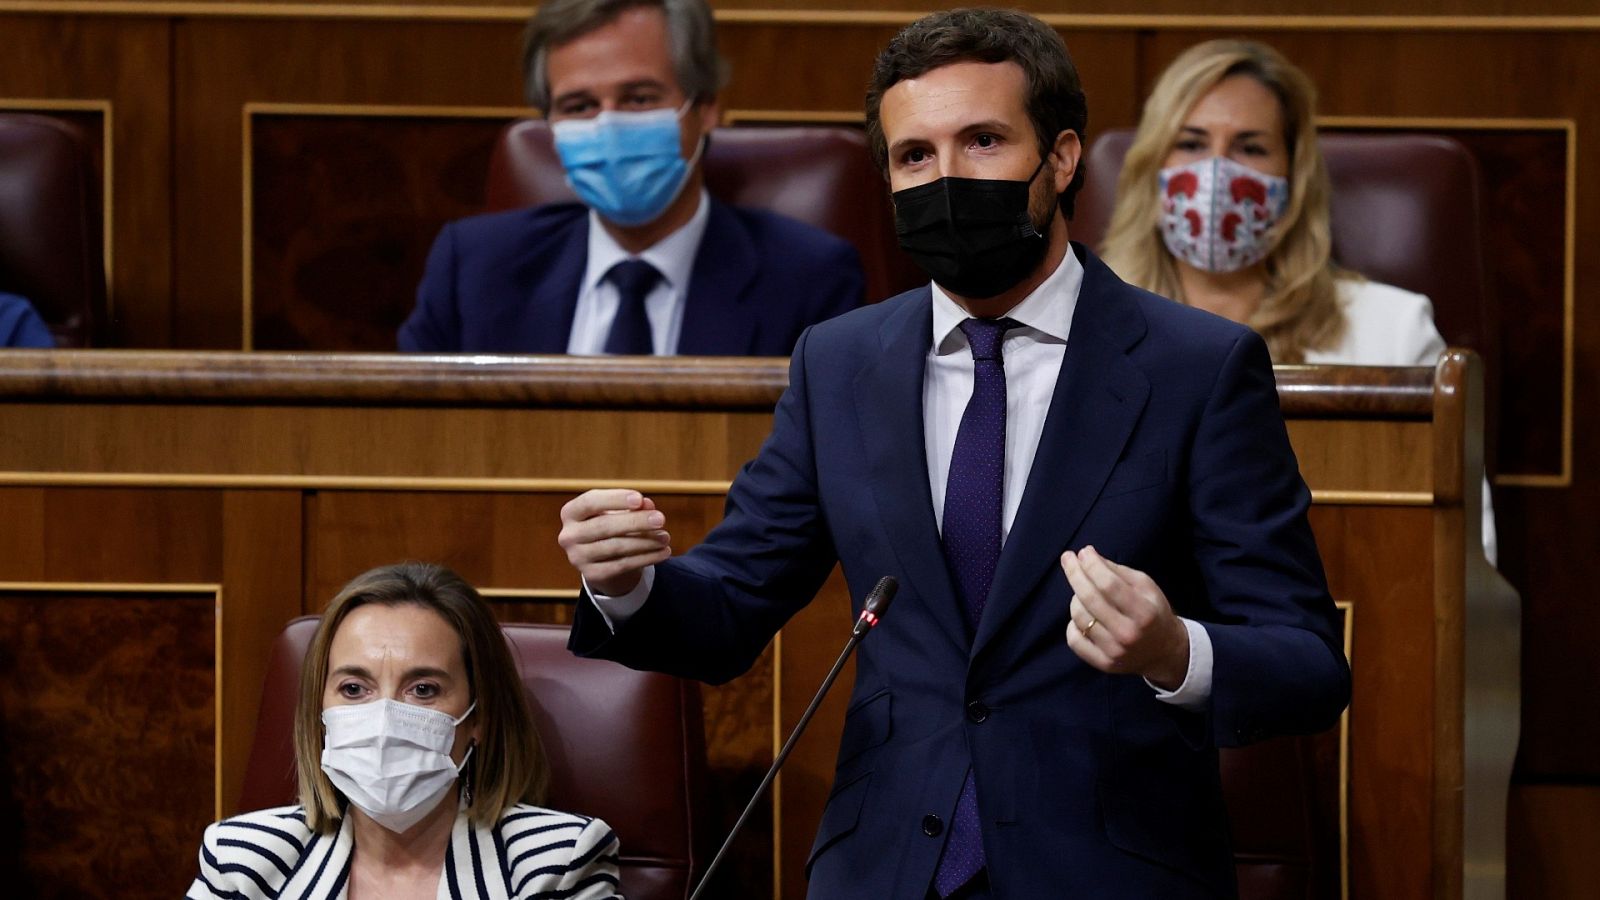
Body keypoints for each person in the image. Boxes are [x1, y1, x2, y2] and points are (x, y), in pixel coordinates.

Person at [557, 9, 1348, 899]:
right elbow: (733, 604)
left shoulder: (1195, 367)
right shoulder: (840, 362)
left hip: (1106, 869)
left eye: (982, 141)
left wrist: (1173, 651)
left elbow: (1309, 664)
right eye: (915, 156)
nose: (946, 179)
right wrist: (626, 584)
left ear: (1061, 158)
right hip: (885, 867)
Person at [1099, 38, 1498, 564]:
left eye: (1251, 147)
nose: (1217, 173)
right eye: (1192, 143)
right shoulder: (1087, 322)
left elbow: (1468, 552)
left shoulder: (1391, 330)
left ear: (1295, 176)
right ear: (1151, 167)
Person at [398, 0, 864, 355]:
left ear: (705, 110)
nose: (608, 125)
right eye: (578, 107)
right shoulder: (473, 269)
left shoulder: (810, 279)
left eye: (639, 98)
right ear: (552, 127)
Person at [186, 563, 622, 900]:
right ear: (320, 713)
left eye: (423, 689)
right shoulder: (242, 862)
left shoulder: (555, 865)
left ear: (478, 719)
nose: (384, 719)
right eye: (354, 688)